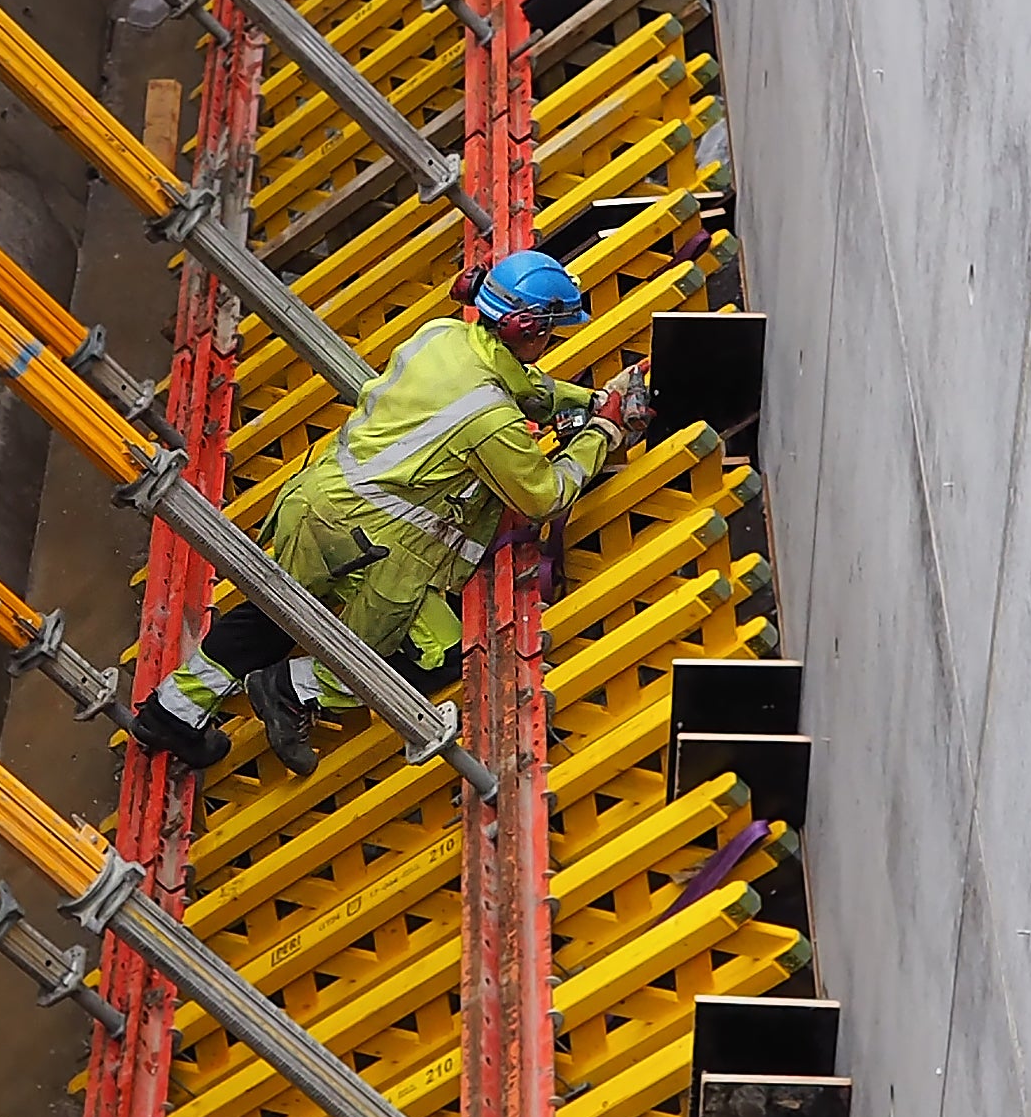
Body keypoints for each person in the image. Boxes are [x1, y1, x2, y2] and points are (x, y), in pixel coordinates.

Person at [131, 249, 655, 774]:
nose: (552, 342)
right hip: (373, 547)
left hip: (315, 503)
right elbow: (543, 496)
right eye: (552, 332)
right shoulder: (488, 419)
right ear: (527, 327)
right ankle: (291, 688)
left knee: (273, 616)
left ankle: (169, 716)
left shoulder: (442, 337)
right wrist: (602, 433)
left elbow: (519, 386)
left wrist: (587, 403)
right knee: (439, 655)